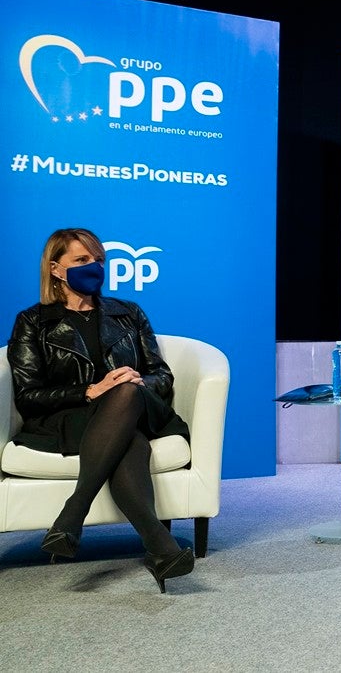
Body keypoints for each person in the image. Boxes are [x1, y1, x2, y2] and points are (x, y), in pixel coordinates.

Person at [7, 227, 196, 592]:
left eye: (98, 260)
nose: (93, 267)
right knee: (130, 441)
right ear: (56, 269)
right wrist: (92, 390)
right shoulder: (32, 322)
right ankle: (161, 549)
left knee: (125, 392)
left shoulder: (128, 313)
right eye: (81, 260)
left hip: (136, 406)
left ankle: (72, 515)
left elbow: (161, 373)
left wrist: (138, 381)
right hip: (71, 417)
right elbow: (28, 394)